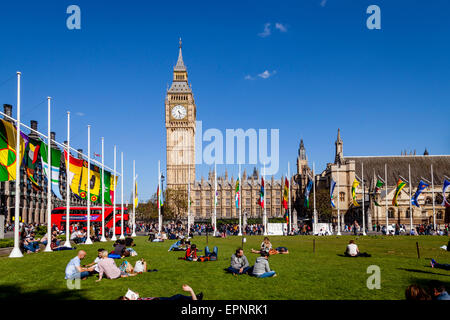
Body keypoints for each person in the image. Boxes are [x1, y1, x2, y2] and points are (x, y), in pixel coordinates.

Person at [118, 284, 203, 301]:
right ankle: (195, 297)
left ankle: (195, 297)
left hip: (158, 298)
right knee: (178, 297)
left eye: (126, 297)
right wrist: (190, 289)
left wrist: (136, 296)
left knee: (178, 296)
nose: (128, 298)